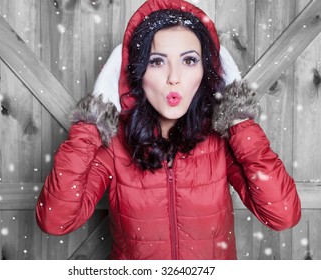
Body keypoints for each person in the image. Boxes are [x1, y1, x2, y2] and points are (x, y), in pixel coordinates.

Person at [36, 0, 301, 260]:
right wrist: (92, 123)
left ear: (206, 71)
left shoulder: (221, 140)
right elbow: (55, 220)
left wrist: (237, 117)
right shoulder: (116, 144)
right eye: (157, 62)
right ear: (137, 73)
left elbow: (283, 214)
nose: (174, 77)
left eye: (189, 61)